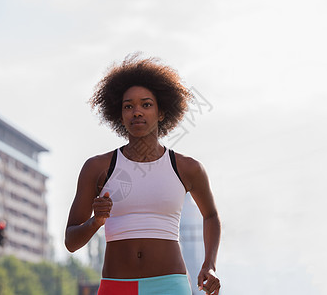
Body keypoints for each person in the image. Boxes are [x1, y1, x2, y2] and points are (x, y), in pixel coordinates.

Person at [65, 54, 221, 295]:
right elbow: (71, 242)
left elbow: (210, 215)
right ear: (120, 115)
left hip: (169, 286)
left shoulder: (188, 168)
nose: (137, 112)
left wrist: (209, 265)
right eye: (128, 106)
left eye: (146, 104)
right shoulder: (97, 168)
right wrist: (96, 221)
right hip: (116, 287)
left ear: (161, 112)